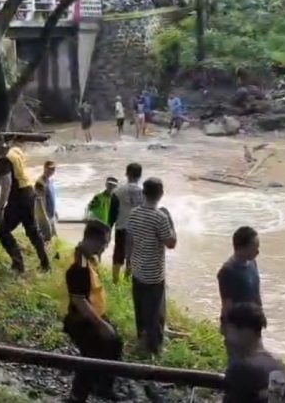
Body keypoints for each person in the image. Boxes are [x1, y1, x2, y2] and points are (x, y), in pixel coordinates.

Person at [64, 220, 123, 402]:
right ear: (92, 240)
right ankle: (77, 396)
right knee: (91, 355)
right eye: (104, 243)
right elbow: (79, 301)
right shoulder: (79, 265)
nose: (105, 247)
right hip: (81, 319)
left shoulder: (87, 258)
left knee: (114, 344)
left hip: (93, 314)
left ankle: (103, 386)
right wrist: (101, 324)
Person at [126, 177, 176, 356]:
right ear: (161, 193)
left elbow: (129, 240)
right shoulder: (160, 217)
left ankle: (142, 338)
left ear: (143, 193)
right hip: (154, 274)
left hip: (138, 269)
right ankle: (154, 348)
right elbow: (171, 243)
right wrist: (171, 221)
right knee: (156, 312)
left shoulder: (134, 213)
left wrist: (128, 263)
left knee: (140, 308)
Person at [0, 136, 51, 273]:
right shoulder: (15, 152)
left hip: (18, 196)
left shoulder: (3, 159)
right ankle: (45, 264)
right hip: (29, 191)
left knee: (3, 231)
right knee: (32, 230)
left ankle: (18, 265)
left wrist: (1, 205)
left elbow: (6, 185)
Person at [223, 303, 285, 403]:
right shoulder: (279, 367)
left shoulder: (241, 369)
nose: (224, 334)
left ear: (245, 331)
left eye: (229, 330)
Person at [218, 226, 262, 330]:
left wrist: (260, 313)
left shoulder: (252, 263)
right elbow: (227, 305)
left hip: (254, 323)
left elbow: (256, 293)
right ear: (242, 248)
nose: (258, 252)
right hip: (238, 327)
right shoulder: (227, 271)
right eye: (254, 248)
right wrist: (226, 329)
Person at [109, 163, 144, 284]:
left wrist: (108, 229)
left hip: (122, 227)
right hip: (137, 230)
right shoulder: (144, 193)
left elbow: (112, 214)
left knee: (118, 255)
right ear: (140, 175)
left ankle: (115, 282)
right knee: (132, 257)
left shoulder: (117, 191)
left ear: (127, 174)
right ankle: (127, 280)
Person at [34, 161, 58, 243]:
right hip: (44, 215)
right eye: (49, 168)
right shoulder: (40, 183)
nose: (51, 171)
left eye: (53, 169)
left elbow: (51, 198)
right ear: (44, 168)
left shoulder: (50, 181)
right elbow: (39, 203)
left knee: (54, 237)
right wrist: (44, 218)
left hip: (51, 214)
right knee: (47, 237)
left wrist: (55, 211)